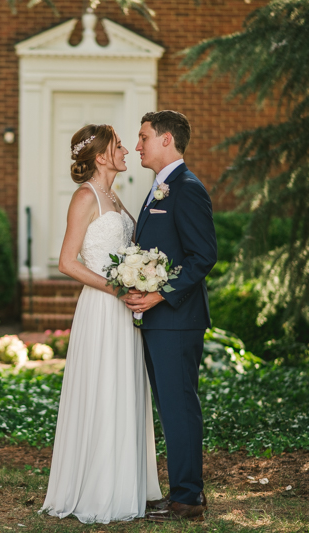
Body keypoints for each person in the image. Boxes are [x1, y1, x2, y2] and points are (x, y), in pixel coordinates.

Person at [41, 124, 162, 524]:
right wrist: (116, 287)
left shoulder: (114, 195)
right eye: (118, 146)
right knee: (103, 388)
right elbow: (67, 262)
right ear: (101, 156)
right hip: (102, 308)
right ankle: (96, 489)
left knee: (124, 389)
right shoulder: (85, 196)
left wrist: (142, 275)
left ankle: (124, 484)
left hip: (124, 309)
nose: (127, 150)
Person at [125, 110, 217, 522]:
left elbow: (203, 257)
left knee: (179, 408)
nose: (138, 145)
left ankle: (188, 499)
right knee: (171, 408)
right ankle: (182, 491)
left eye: (144, 137)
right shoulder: (158, 188)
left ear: (166, 139)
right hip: (160, 320)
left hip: (177, 319)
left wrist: (160, 294)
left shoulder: (186, 188)